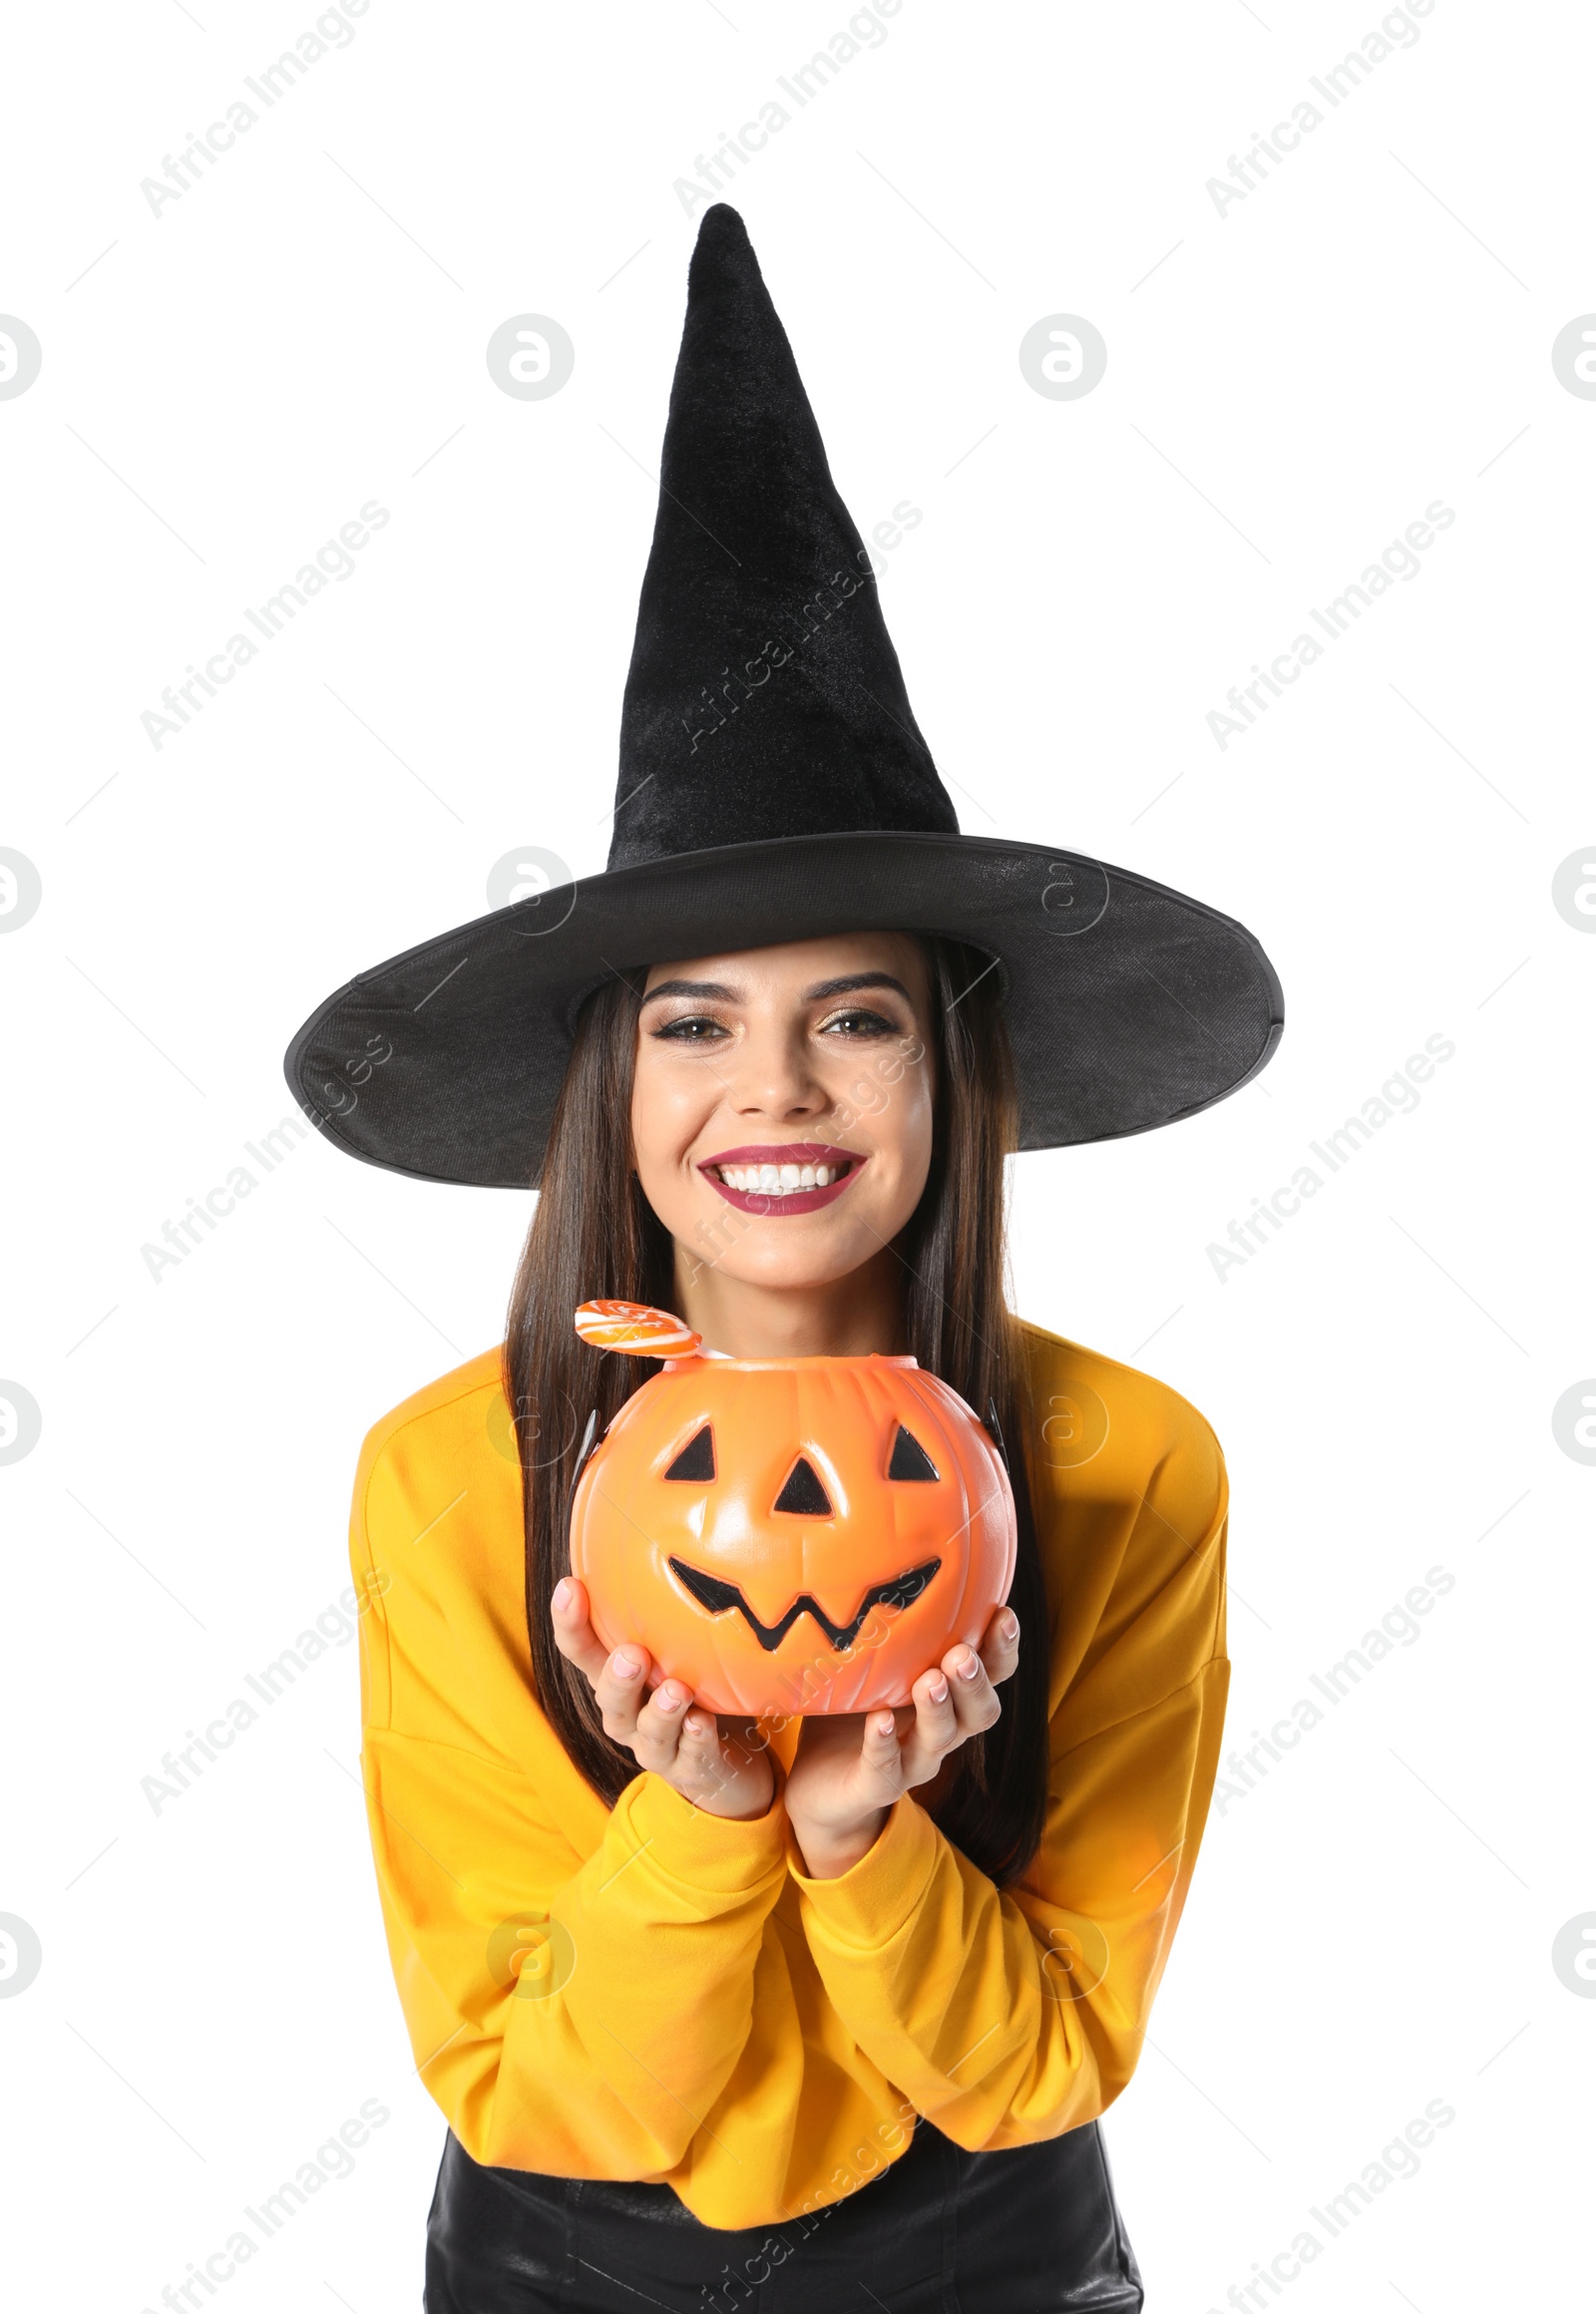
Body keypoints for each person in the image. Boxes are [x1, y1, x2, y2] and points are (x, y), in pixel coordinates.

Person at [285, 205, 1283, 2312]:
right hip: (571, 2263)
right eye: (690, 1021)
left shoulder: (1123, 1462)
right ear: (609, 1089)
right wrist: (706, 1810)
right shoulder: (446, 1478)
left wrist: (859, 1833)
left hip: (987, 2254)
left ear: (951, 1077)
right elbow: (541, 2095)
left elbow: (1040, 2061)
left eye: (852, 1015)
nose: (776, 1092)